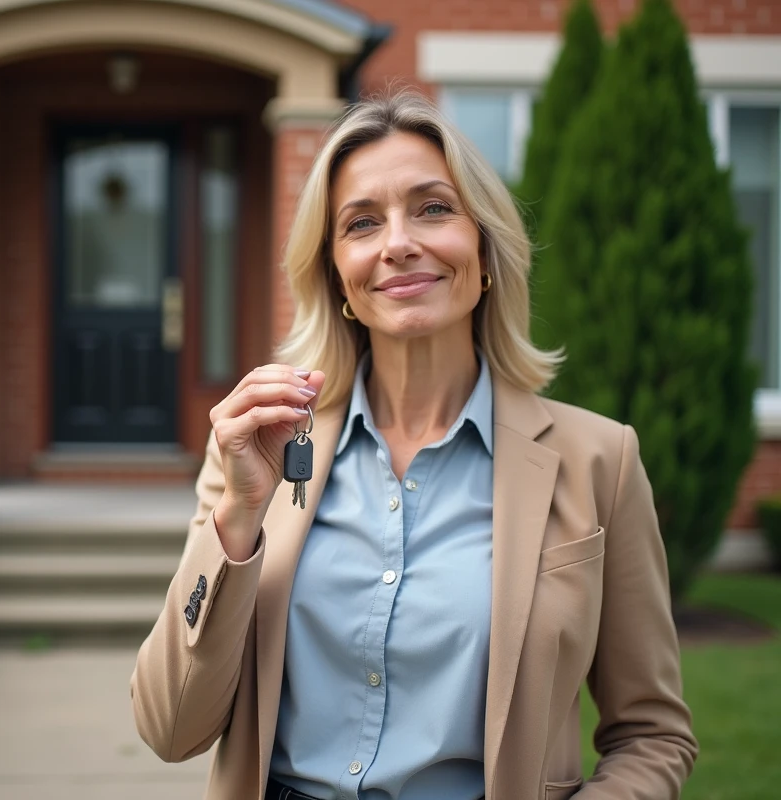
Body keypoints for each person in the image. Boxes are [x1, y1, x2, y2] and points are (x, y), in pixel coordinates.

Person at [130, 90, 697, 800]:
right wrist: (239, 518)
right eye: (362, 223)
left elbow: (653, 734)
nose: (398, 242)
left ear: (485, 250)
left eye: (433, 208)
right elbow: (168, 727)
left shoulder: (599, 462)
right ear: (338, 275)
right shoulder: (264, 454)